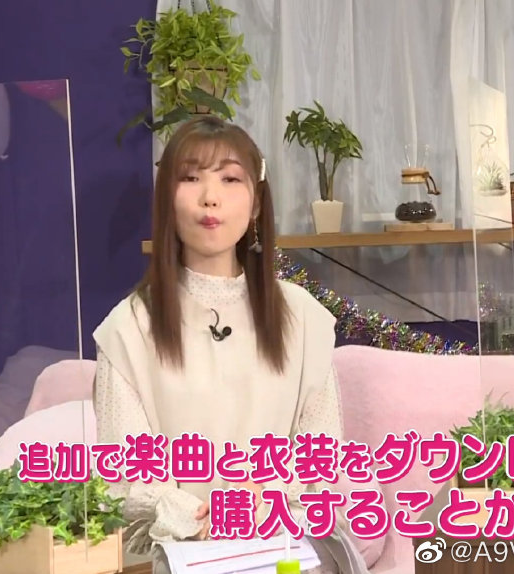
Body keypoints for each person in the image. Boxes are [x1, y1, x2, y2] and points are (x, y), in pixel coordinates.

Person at [92, 117, 366, 573]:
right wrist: (201, 515)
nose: (210, 197)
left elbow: (321, 458)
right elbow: (124, 478)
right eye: (190, 177)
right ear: (167, 199)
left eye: (230, 179)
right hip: (176, 553)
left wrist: (266, 498)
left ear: (256, 203)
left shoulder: (302, 317)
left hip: (282, 546)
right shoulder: (128, 327)